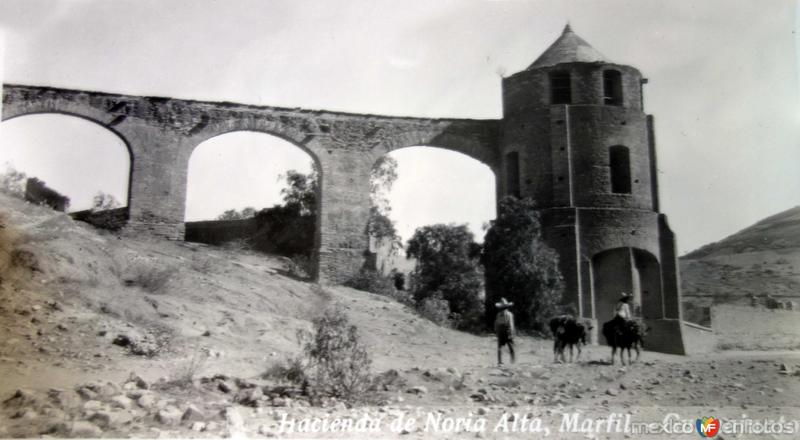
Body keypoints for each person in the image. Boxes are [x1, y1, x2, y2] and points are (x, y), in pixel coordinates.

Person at [494, 298, 515, 365]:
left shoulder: (499, 314)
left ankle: (500, 361)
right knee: (510, 345)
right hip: (506, 330)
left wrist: (496, 331)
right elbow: (511, 324)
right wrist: (511, 333)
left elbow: (496, 324)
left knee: (500, 346)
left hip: (501, 331)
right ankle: (512, 359)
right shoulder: (509, 314)